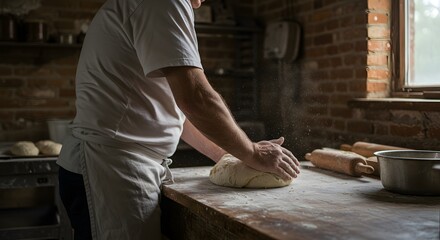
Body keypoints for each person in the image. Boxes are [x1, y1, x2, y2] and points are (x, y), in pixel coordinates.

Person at [57, 0, 301, 239]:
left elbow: (178, 114)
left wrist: (229, 156)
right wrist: (252, 152)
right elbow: (196, 97)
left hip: (114, 163)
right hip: (110, 169)